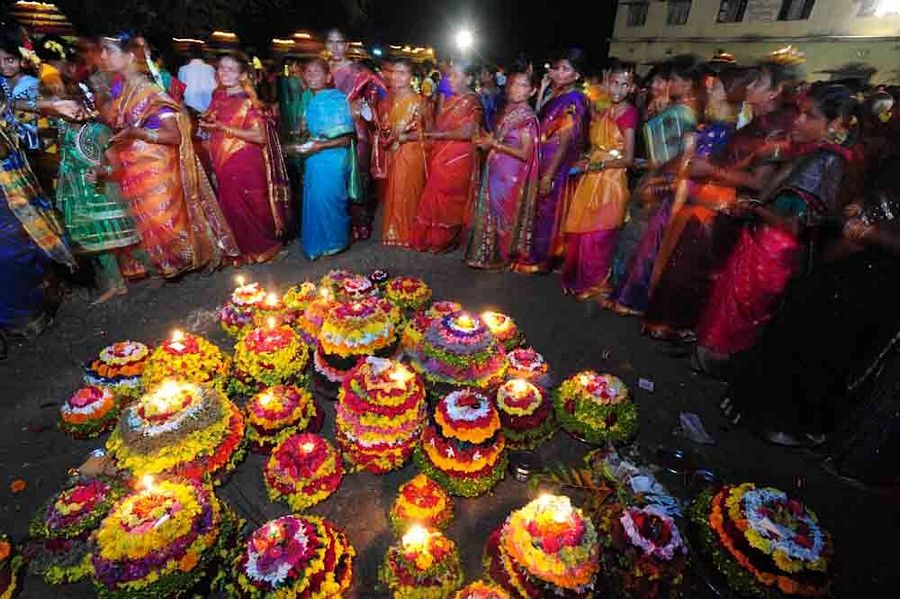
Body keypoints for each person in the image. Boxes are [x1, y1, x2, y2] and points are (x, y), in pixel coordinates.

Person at [722, 149, 900, 449]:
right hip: (839, 267)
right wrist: (852, 212)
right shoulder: (884, 160)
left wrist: (874, 235)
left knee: (827, 348)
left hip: (873, 280)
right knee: (797, 326)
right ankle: (756, 409)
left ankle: (786, 422)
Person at [695, 84, 858, 374]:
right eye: (799, 113)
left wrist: (754, 209)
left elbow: (798, 224)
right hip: (760, 241)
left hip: (776, 254)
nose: (797, 121)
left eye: (810, 117)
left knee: (748, 312)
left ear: (833, 124)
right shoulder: (806, 151)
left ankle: (730, 370)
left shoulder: (826, 160)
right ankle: (714, 359)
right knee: (732, 307)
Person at [96, 32, 238, 278]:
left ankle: (188, 256)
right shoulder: (122, 89)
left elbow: (174, 136)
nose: (102, 56)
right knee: (149, 220)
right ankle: (168, 262)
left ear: (130, 57)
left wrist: (137, 132)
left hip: (157, 168)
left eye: (109, 51)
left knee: (166, 218)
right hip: (135, 166)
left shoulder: (151, 91)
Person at [641, 64, 754, 339]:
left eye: (716, 89)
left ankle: (677, 326)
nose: (710, 94)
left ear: (732, 95)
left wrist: (689, 166)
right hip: (690, 202)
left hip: (708, 209)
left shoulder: (730, 135)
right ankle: (664, 322)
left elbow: (710, 172)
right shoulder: (713, 128)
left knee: (688, 271)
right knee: (673, 263)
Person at [0, 25, 81, 337]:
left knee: (18, 245)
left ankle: (29, 314)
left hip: (11, 179)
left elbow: (12, 108)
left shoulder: (29, 84)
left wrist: (54, 106)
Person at [603, 54, 699, 314]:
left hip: (662, 182)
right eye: (655, 82)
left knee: (641, 237)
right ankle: (620, 289)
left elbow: (678, 156)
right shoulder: (664, 109)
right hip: (654, 177)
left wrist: (656, 179)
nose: (657, 87)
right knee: (636, 235)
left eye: (665, 81)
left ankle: (628, 295)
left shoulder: (682, 114)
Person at [200, 52, 290, 264]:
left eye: (231, 69)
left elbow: (259, 136)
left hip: (245, 161)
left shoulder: (250, 103)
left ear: (242, 75)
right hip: (223, 161)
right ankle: (239, 249)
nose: (225, 72)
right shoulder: (218, 96)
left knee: (251, 203)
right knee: (230, 205)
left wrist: (223, 128)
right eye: (221, 67)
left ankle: (262, 248)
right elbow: (213, 122)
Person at [560, 61, 637, 299]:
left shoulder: (629, 114)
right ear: (607, 83)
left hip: (611, 180)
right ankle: (579, 278)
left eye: (624, 85)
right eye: (615, 83)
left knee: (599, 233)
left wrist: (599, 165)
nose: (618, 90)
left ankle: (595, 282)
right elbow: (596, 145)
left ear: (631, 88)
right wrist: (586, 160)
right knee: (583, 230)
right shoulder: (605, 110)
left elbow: (629, 159)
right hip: (591, 177)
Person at [513, 48, 589, 273]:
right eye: (557, 68)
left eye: (566, 69)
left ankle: (540, 260)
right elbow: (539, 122)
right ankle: (534, 253)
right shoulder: (557, 95)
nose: (558, 73)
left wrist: (548, 175)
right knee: (538, 210)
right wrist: (544, 90)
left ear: (576, 75)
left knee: (548, 213)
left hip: (555, 163)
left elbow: (565, 139)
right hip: (543, 158)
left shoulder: (574, 99)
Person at [464, 71, 539, 270]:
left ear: (532, 91)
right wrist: (487, 143)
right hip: (496, 168)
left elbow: (524, 153)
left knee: (502, 215)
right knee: (489, 212)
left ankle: (498, 257)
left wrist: (494, 143)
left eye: (523, 85)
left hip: (510, 175)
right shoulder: (507, 110)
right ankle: (484, 255)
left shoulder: (527, 118)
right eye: (513, 84)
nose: (516, 89)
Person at [412, 61, 482, 253]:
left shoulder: (472, 101)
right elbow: (438, 126)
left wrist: (438, 136)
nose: (449, 79)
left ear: (468, 79)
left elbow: (469, 132)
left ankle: (446, 239)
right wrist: (425, 114)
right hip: (442, 151)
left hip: (459, 155)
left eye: (455, 76)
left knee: (449, 197)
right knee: (435, 193)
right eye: (449, 75)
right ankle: (431, 237)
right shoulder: (451, 99)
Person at [325, 27, 387, 241]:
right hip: (327, 132)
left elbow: (381, 93)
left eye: (339, 42)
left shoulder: (359, 72)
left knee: (357, 177)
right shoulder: (320, 71)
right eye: (330, 42)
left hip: (356, 132)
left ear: (347, 45)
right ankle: (337, 224)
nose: (335, 47)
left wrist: (364, 106)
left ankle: (360, 223)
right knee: (333, 179)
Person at [295, 57, 353, 260]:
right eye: (308, 72)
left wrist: (320, 145)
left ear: (328, 77)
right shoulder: (311, 99)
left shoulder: (337, 100)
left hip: (333, 158)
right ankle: (318, 243)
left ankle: (335, 242)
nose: (311, 76)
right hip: (314, 157)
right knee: (315, 199)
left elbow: (345, 140)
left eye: (316, 72)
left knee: (330, 200)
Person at [376, 57, 427, 248]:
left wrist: (407, 137)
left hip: (410, 152)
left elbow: (427, 132)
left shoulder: (419, 101)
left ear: (411, 77)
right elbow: (382, 126)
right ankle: (393, 232)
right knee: (393, 191)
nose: (396, 77)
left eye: (402, 73)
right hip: (392, 151)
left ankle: (407, 233)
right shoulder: (387, 99)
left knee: (407, 191)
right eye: (394, 72)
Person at [177, 45, 216, 114]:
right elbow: (214, 87)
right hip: (207, 108)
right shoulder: (210, 68)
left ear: (189, 55)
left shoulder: (183, 69)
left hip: (190, 108)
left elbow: (180, 89)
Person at [478, 64, 502, 131]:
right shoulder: (480, 94)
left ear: (491, 76)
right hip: (483, 130)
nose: (481, 76)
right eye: (481, 73)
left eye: (484, 73)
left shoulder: (499, 93)